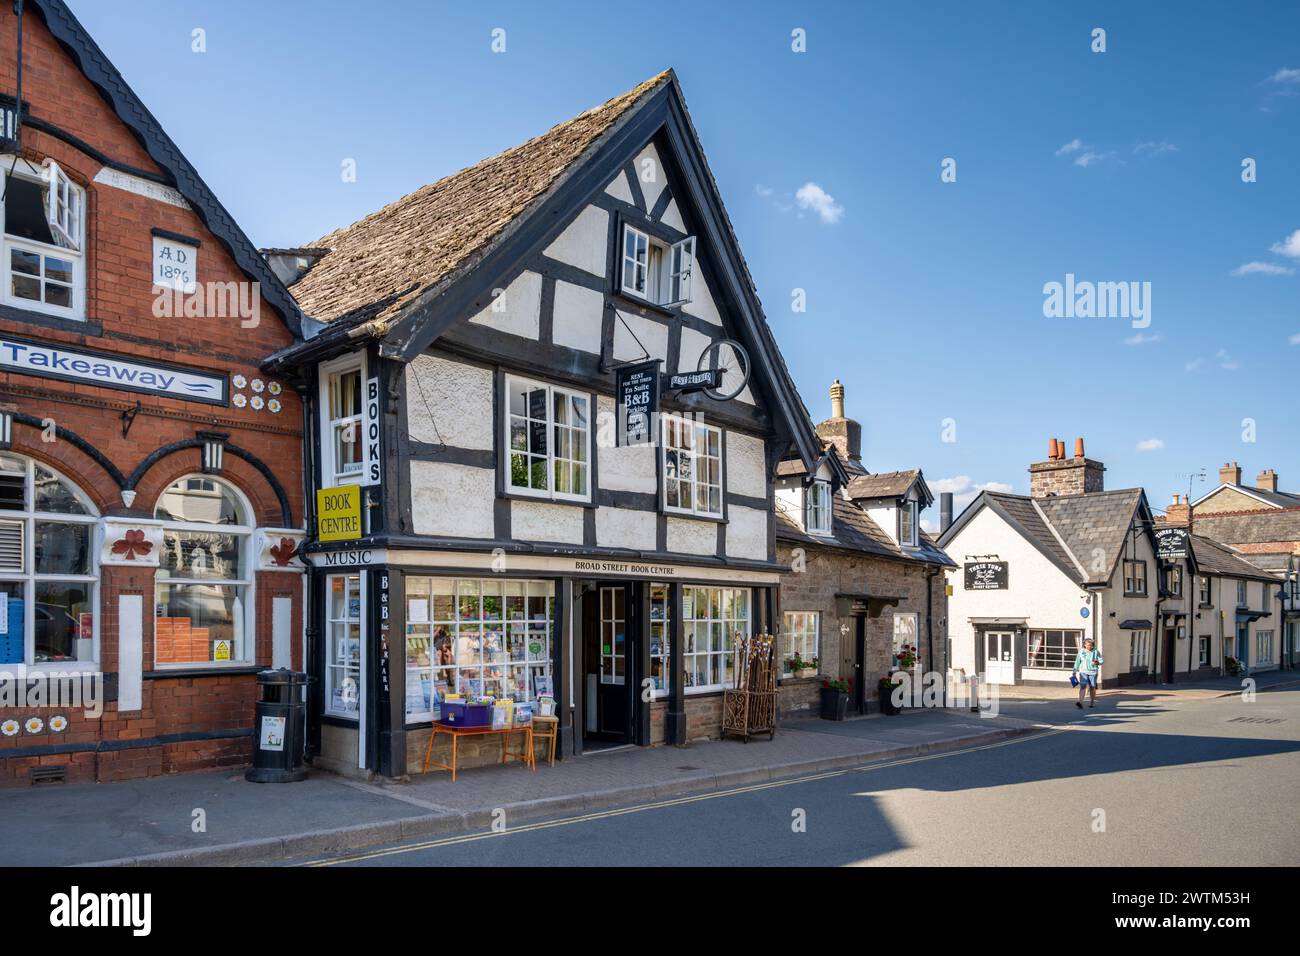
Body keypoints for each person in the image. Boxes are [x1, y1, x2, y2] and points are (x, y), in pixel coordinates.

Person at [1073, 638, 1103, 708]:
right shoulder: (1081, 652)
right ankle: (1080, 702)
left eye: (1091, 645)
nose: (1090, 646)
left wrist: (1097, 662)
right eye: (1088, 645)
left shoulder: (1096, 651)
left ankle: (1092, 702)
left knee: (1092, 687)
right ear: (1085, 645)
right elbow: (1077, 661)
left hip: (1093, 672)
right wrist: (1074, 671)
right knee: (1083, 686)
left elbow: (1101, 661)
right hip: (1083, 672)